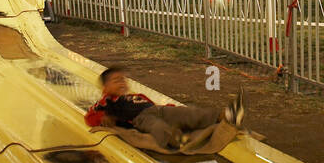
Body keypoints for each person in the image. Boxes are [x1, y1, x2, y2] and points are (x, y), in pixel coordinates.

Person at [85, 66, 244, 150]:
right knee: (158, 127)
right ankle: (175, 139)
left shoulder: (135, 96)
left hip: (158, 110)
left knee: (186, 112)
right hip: (141, 119)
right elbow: (89, 116)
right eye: (116, 80)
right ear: (105, 88)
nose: (121, 82)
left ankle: (221, 115)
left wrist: (169, 108)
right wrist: (103, 118)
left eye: (123, 79)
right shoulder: (106, 102)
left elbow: (150, 103)